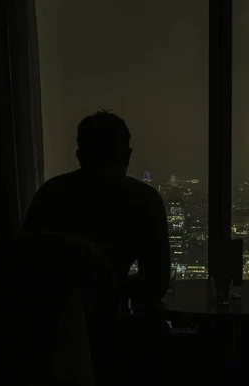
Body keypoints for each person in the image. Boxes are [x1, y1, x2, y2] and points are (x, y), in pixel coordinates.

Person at [22, 109, 171, 311]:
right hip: (111, 326)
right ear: (127, 155)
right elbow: (156, 284)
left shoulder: (51, 194)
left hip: (46, 322)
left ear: (80, 156)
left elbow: (26, 267)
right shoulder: (144, 201)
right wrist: (112, 288)